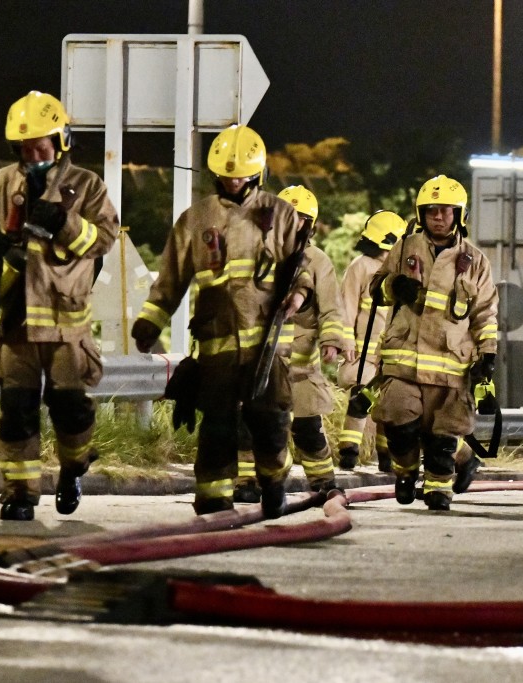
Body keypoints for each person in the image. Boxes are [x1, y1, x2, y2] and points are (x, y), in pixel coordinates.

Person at [131, 124, 311, 518]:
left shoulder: (279, 214)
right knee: (217, 428)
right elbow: (172, 278)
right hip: (217, 347)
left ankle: (274, 481)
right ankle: (213, 499)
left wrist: (299, 293)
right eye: (227, 175)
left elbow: (302, 267)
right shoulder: (197, 219)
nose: (234, 181)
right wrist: (151, 320)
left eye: (242, 174)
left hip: (268, 348)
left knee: (270, 424)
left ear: (257, 172)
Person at [0, 91, 119, 521]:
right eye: (25, 149)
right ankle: (20, 493)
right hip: (14, 321)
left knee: (71, 410)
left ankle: (74, 465)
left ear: (61, 141)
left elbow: (104, 240)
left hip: (66, 325)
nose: (33, 156)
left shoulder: (87, 186)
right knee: (16, 412)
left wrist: (66, 223)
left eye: (41, 147)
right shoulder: (1, 184)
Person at [369, 175, 499, 511]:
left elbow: (485, 313)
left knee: (443, 436)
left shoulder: (476, 262)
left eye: (444, 211)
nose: (437, 217)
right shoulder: (405, 248)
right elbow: (376, 288)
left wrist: (488, 354)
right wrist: (394, 286)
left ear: (459, 215)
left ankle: (439, 489)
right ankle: (405, 473)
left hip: (451, 368)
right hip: (404, 361)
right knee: (398, 420)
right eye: (430, 211)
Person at [233, 185, 353, 502]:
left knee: (307, 430)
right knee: (248, 427)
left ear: (309, 224)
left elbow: (331, 309)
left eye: (300, 218)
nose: (293, 223)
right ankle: (248, 482)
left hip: (300, 367)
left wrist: (331, 341)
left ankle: (323, 482)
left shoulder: (318, 261)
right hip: (262, 364)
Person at [336, 210, 409, 472]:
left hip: (392, 352)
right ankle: (348, 451)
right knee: (361, 398)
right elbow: (346, 307)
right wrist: (346, 342)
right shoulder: (361, 267)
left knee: (390, 405)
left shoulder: (401, 270)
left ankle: (386, 455)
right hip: (365, 352)